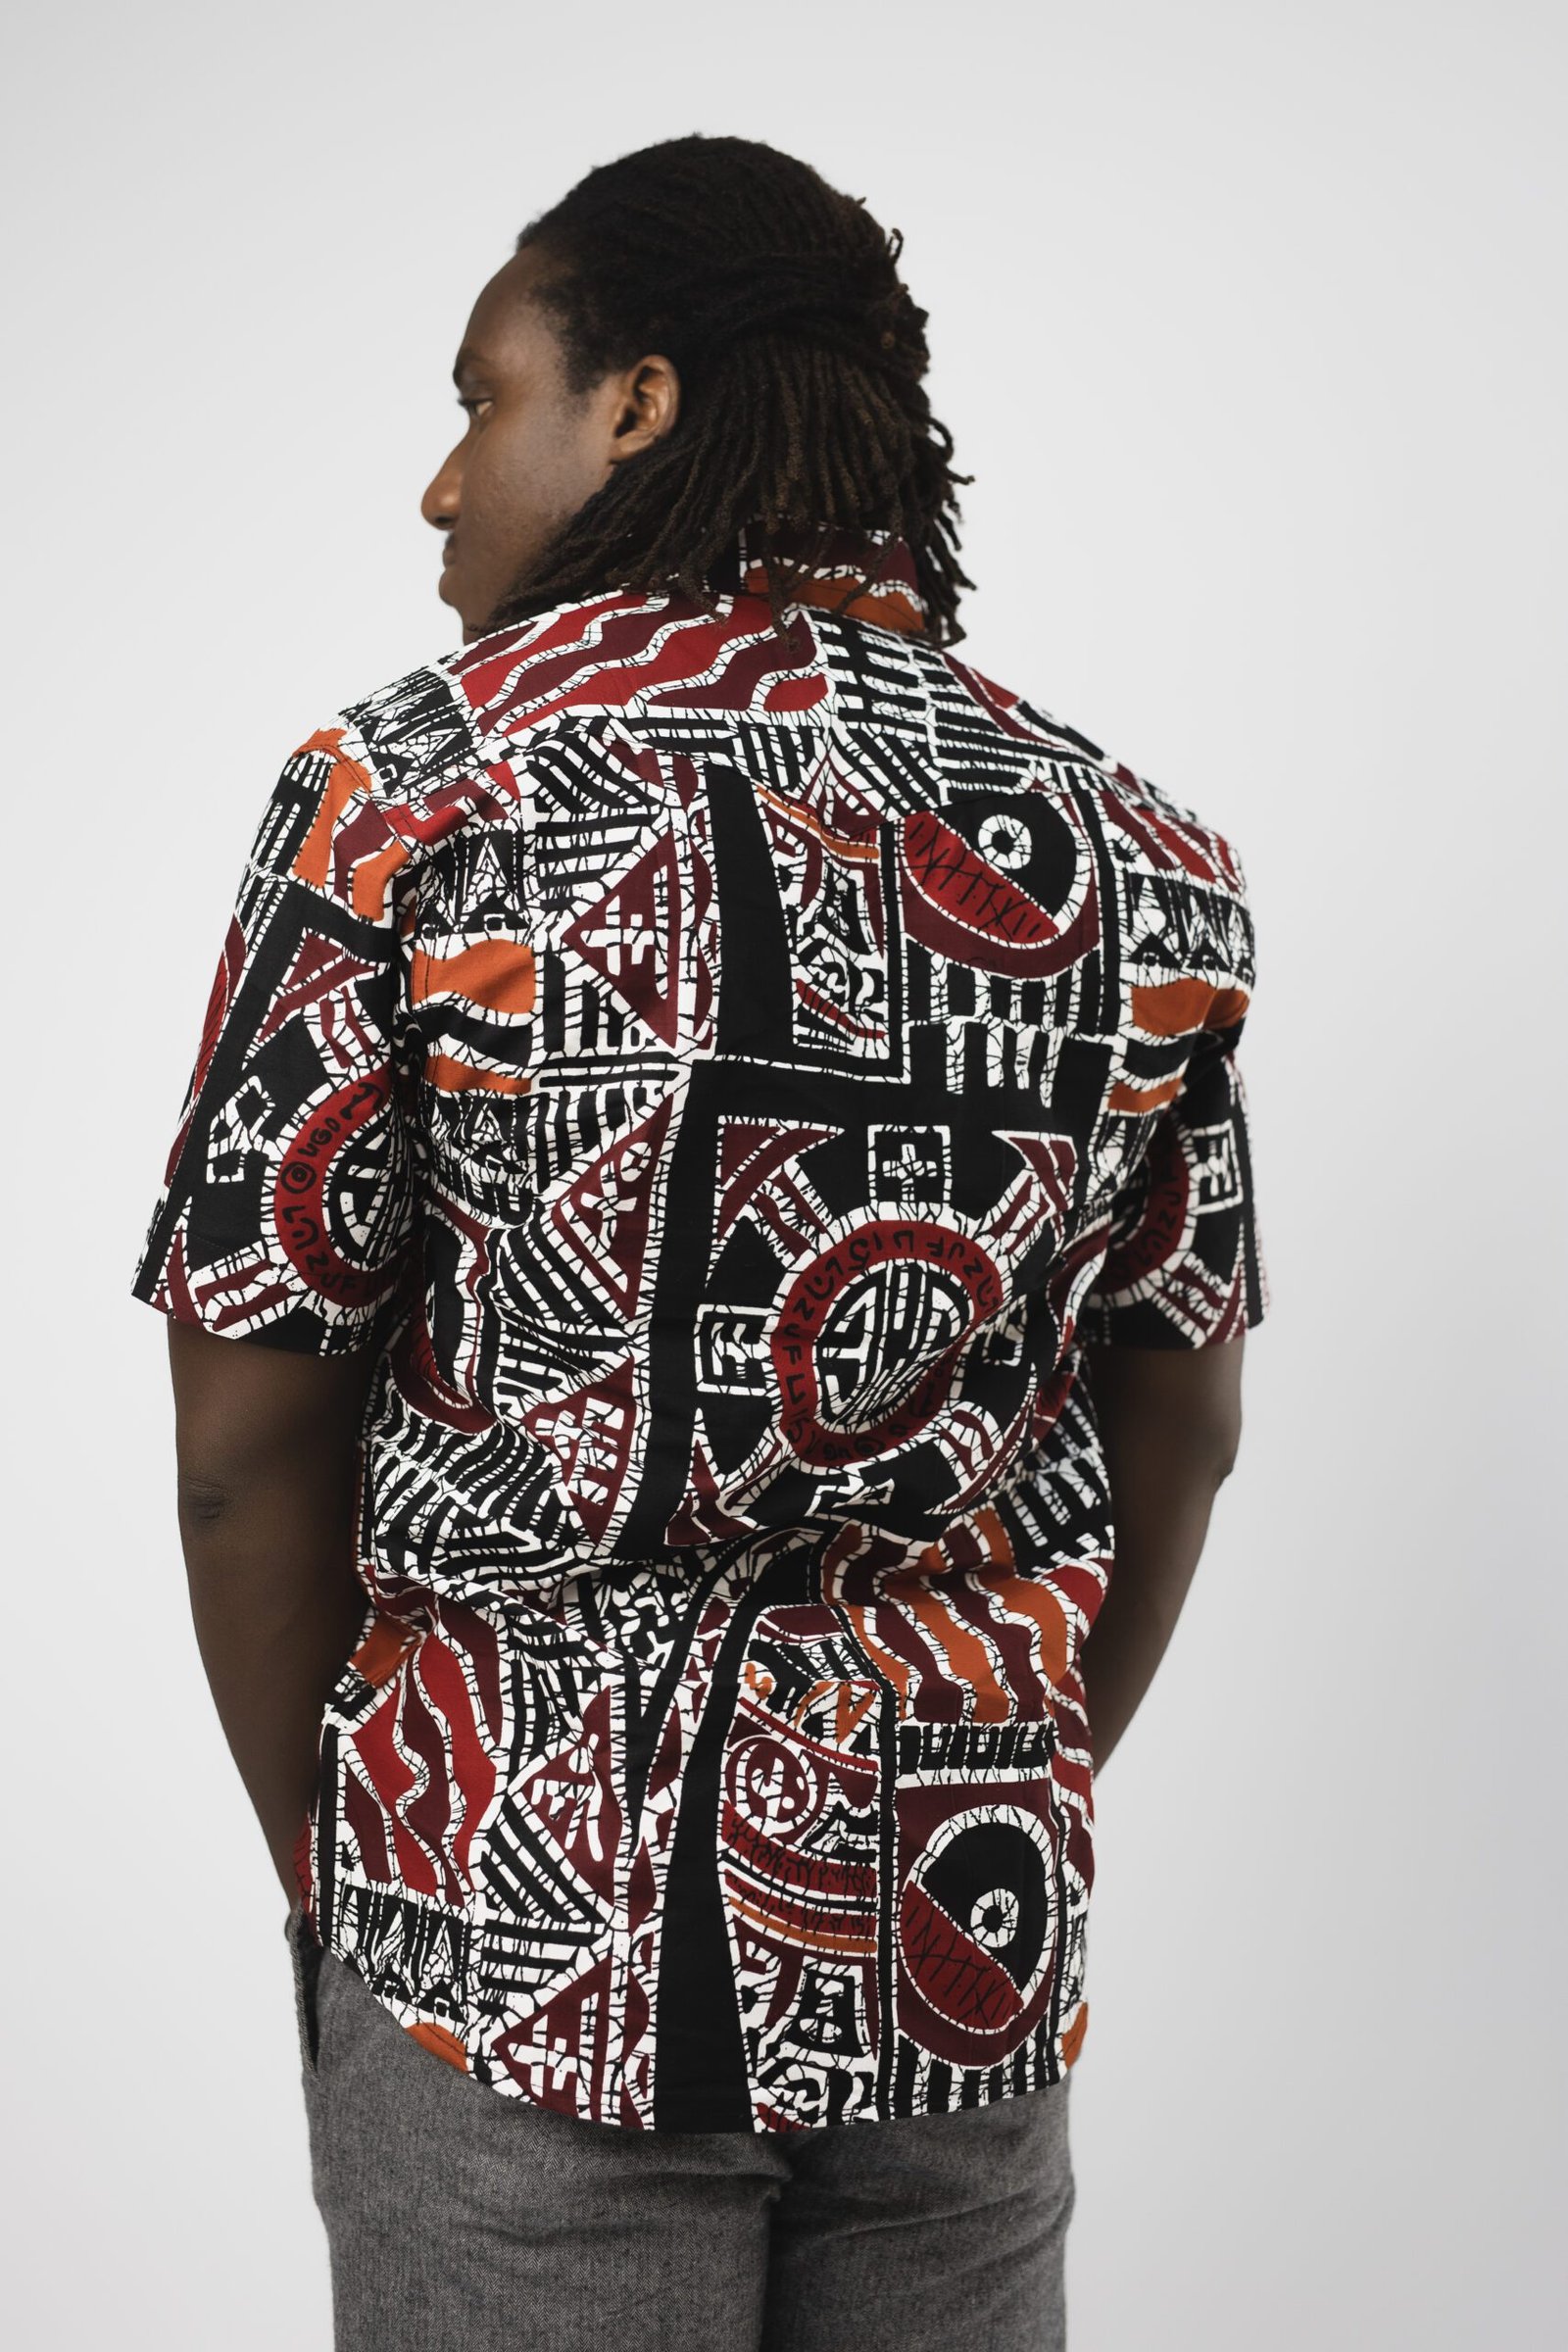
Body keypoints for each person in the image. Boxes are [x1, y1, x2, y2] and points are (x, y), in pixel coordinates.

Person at [130, 133, 1268, 2352]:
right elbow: (1184, 1423)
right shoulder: (1137, 852)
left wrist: (361, 1890)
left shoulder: (417, 800)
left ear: (636, 404)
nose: (442, 485)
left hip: (510, 1946)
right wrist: (981, 1774)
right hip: (952, 1955)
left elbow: (238, 1451)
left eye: (483, 400)